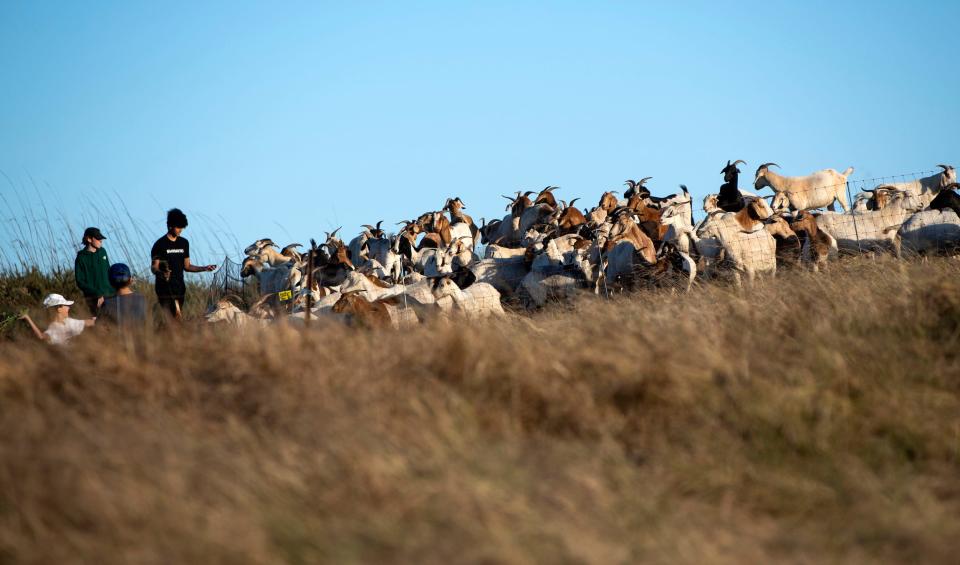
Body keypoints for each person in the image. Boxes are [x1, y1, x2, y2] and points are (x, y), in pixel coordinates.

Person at [150, 208, 216, 320]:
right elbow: (154, 267)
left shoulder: (184, 243)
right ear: (170, 226)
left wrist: (204, 268)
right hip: (164, 288)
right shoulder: (159, 244)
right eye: (178, 227)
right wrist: (162, 273)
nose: (181, 230)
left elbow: (187, 266)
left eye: (182, 227)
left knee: (175, 319)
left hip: (180, 287)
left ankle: (167, 334)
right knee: (175, 316)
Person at [20, 293, 96, 345]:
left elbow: (89, 322)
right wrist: (28, 318)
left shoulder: (69, 322)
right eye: (65, 305)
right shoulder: (54, 328)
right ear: (59, 309)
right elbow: (41, 336)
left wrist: (96, 320)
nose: (68, 308)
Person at [74, 227, 114, 316]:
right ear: (89, 239)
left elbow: (109, 270)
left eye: (101, 238)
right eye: (98, 238)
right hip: (94, 299)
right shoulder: (81, 258)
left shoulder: (103, 252)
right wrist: (98, 294)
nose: (101, 241)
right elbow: (80, 282)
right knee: (101, 324)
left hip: (111, 295)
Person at [98, 263, 148, 332]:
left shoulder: (107, 304)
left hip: (117, 341)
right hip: (141, 340)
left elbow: (100, 328)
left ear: (110, 282)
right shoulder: (142, 299)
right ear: (130, 280)